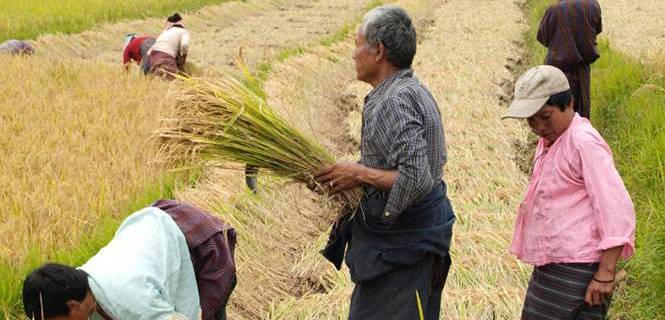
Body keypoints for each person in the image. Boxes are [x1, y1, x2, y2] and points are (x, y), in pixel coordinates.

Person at [314, 5, 455, 320]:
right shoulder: (412, 89)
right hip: (416, 245)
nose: (353, 55)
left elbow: (416, 177)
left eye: (357, 45)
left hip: (402, 251)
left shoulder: (393, 101)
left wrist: (360, 174)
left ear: (378, 51)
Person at [502, 65, 636, 320]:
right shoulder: (551, 140)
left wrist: (605, 273)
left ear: (569, 103)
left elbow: (617, 208)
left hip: (578, 267)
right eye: (531, 120)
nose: (539, 126)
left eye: (546, 116)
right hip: (553, 262)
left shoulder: (583, 143)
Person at [23, 200, 237, 320]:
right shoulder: (78, 284)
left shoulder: (134, 302)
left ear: (73, 306)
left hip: (198, 242)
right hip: (150, 237)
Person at [537, 0, 602, 119]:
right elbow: (596, 31)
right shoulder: (593, 5)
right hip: (582, 72)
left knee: (557, 117)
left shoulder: (554, 10)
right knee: (581, 116)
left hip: (557, 73)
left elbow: (543, 37)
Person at [148, 13, 190, 80]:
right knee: (172, 81)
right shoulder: (183, 31)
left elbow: (148, 52)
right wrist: (184, 57)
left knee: (159, 81)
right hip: (166, 56)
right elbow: (185, 45)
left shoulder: (166, 31)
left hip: (153, 56)